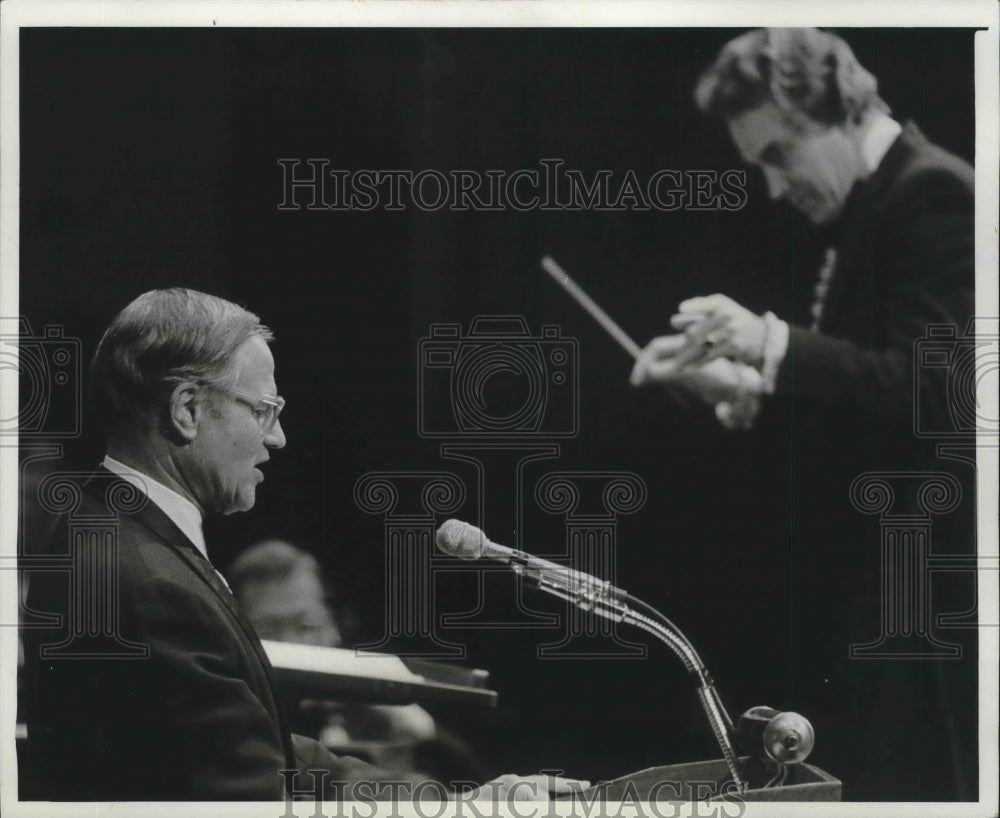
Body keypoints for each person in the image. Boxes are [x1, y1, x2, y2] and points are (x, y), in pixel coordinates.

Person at [20, 288, 583, 802]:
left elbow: (255, 747)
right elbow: (256, 793)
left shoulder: (102, 531)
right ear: (187, 409)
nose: (277, 437)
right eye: (263, 410)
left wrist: (447, 801)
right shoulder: (148, 578)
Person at [630, 29, 976, 800]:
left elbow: (939, 391)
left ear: (836, 109)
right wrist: (736, 386)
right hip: (885, 590)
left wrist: (767, 339)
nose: (775, 189)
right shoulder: (871, 207)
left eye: (779, 155)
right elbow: (870, 399)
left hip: (932, 595)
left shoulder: (934, 192)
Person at [228, 539, 491, 783]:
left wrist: (424, 734)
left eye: (306, 625)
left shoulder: (381, 690)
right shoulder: (232, 705)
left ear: (335, 626)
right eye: (268, 631)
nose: (291, 643)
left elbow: (484, 789)